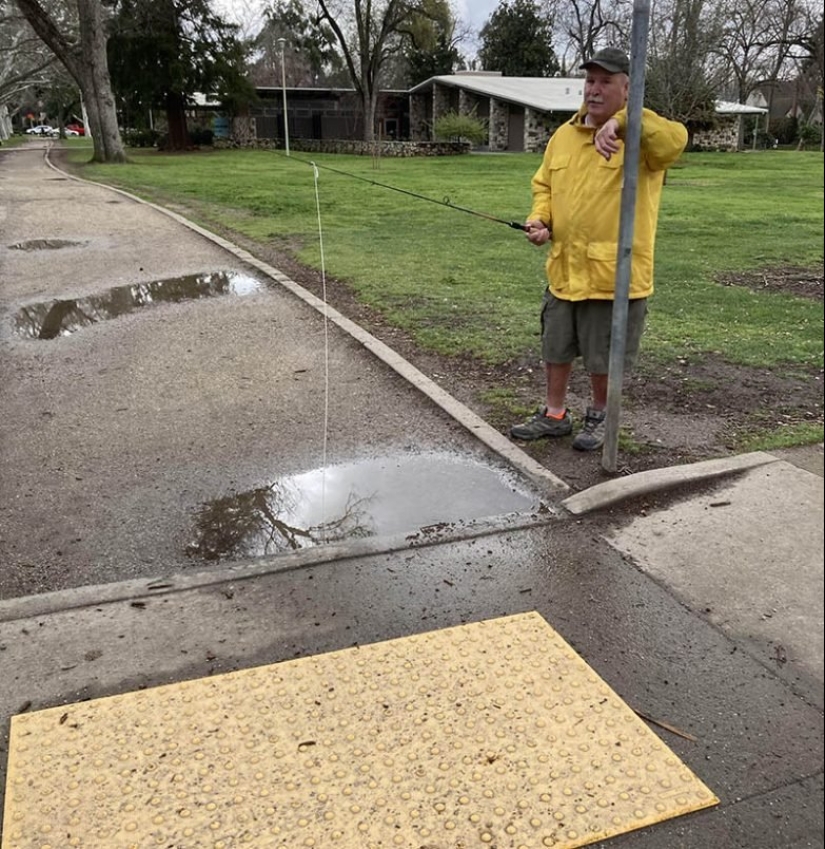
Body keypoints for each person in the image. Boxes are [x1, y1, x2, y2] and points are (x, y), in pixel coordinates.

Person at [510, 47, 688, 451]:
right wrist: (542, 221)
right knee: (555, 346)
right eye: (590, 80)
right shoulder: (563, 137)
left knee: (602, 355)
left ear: (628, 88)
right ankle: (554, 414)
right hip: (565, 268)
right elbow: (545, 187)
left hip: (614, 274)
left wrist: (624, 124)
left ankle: (601, 415)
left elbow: (676, 142)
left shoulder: (644, 136)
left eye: (606, 81)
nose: (594, 89)